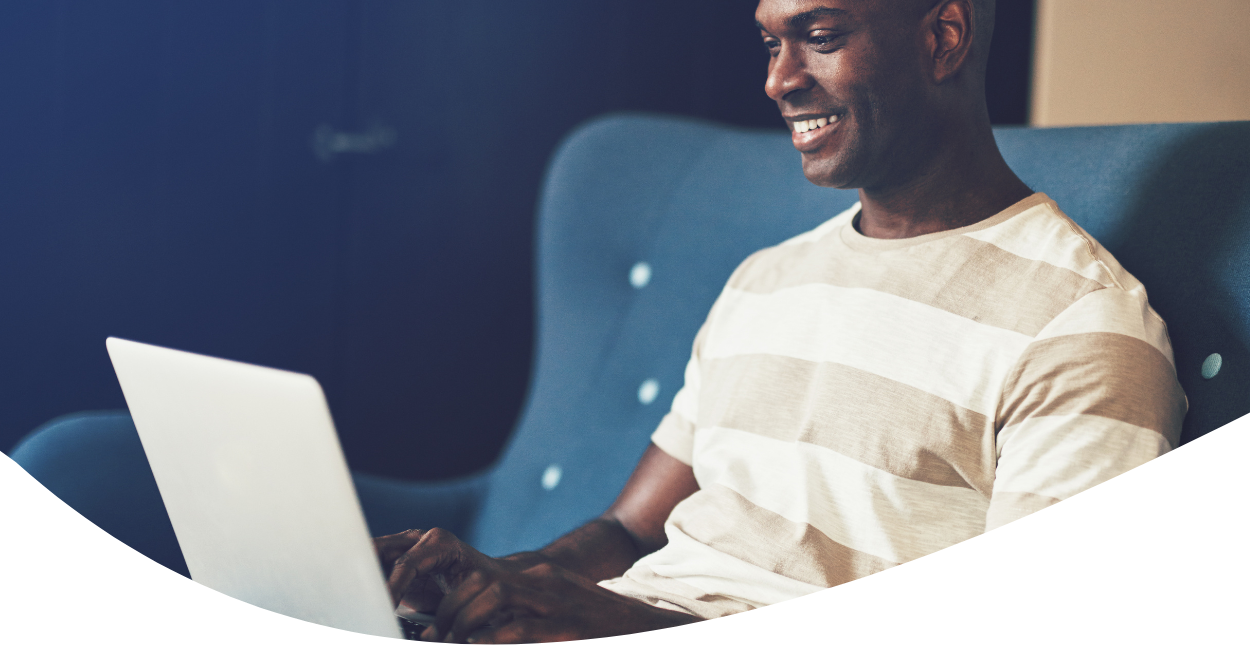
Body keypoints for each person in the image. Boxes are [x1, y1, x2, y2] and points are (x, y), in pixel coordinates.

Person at [373, 0, 1187, 643]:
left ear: (944, 36)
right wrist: (495, 589)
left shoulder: (1082, 328)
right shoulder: (768, 279)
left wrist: (631, 625)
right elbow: (629, 528)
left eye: (820, 35)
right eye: (770, 44)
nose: (778, 80)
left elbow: (1036, 635)